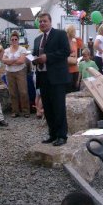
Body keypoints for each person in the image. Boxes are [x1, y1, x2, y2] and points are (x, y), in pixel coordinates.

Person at [32, 12, 71, 147]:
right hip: (43, 77)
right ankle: (52, 134)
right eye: (40, 22)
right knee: (47, 108)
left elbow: (66, 51)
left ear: (50, 22)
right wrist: (33, 60)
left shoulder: (60, 34)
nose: (42, 23)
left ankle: (62, 135)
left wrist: (47, 57)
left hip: (57, 78)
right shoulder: (37, 39)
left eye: (44, 21)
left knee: (58, 107)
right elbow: (34, 55)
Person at [3, 31, 30, 118]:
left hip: (20, 72)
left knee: (23, 92)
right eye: (12, 39)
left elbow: (22, 61)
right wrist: (16, 60)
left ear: (18, 40)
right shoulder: (6, 50)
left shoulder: (22, 49)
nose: (14, 41)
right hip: (9, 73)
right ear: (10, 40)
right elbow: (4, 61)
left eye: (15, 39)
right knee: (12, 93)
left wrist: (10, 61)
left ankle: (26, 111)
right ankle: (15, 111)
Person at [66, 24, 79, 92]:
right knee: (68, 90)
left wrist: (73, 57)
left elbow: (76, 55)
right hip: (68, 70)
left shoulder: (74, 42)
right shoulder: (64, 42)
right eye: (74, 31)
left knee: (75, 89)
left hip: (75, 69)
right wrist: (71, 56)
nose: (75, 33)